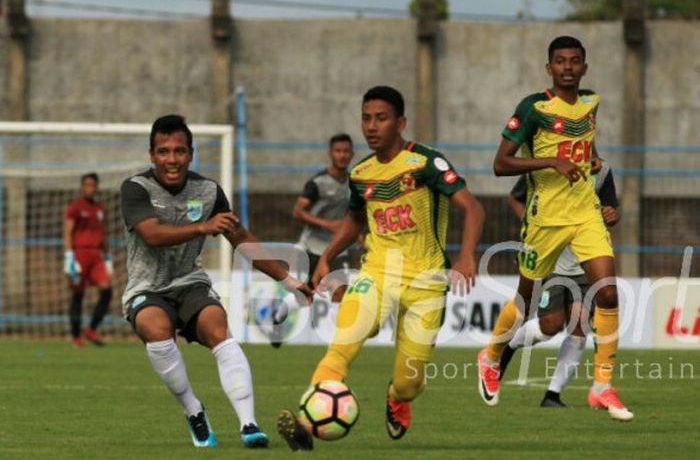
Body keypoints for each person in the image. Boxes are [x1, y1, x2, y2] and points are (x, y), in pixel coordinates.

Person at [277, 86, 485, 450]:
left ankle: (397, 397)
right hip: (377, 273)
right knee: (344, 341)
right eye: (366, 118)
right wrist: (327, 256)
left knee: (409, 383)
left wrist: (467, 256)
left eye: (381, 118)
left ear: (400, 122)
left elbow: (473, 208)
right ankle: (307, 426)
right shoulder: (361, 172)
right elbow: (355, 220)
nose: (371, 126)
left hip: (427, 281)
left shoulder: (426, 162)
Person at [120, 114, 313, 448]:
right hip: (146, 288)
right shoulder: (136, 189)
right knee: (156, 328)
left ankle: (249, 424)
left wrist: (288, 279)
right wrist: (201, 228)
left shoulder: (208, 191)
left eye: (179, 151)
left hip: (189, 283)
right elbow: (151, 234)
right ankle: (194, 411)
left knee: (217, 327)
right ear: (151, 155)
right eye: (163, 152)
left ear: (191, 154)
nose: (172, 159)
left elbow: (241, 238)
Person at [482, 36, 633, 421]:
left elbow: (585, 143)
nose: (568, 67)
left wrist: (592, 161)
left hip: (585, 215)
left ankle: (602, 386)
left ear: (585, 66)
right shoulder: (533, 108)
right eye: (560, 61)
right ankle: (493, 353)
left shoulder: (591, 102)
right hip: (545, 219)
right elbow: (500, 164)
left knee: (609, 293)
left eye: (575, 61)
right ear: (549, 68)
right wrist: (551, 161)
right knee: (524, 301)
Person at [494, 162, 619, 408]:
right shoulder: (550, 165)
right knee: (550, 325)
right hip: (552, 259)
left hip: (586, 261)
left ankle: (552, 395)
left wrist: (612, 215)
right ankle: (508, 346)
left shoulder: (602, 171)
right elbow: (515, 198)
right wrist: (534, 228)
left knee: (580, 324)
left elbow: (609, 210)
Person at [269, 133, 354, 348]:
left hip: (337, 248)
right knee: (305, 293)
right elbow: (298, 211)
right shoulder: (317, 183)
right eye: (338, 151)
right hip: (312, 246)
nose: (342, 155)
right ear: (330, 154)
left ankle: (337, 344)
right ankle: (280, 315)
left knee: (340, 291)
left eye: (346, 151)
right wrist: (328, 225)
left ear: (351, 154)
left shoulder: (355, 183)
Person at [63, 172, 113, 347]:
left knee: (107, 290)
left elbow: (103, 234)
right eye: (87, 185)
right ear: (82, 187)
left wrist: (107, 258)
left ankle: (91, 329)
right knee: (78, 295)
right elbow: (68, 232)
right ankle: (76, 336)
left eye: (92, 185)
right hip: (79, 254)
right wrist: (69, 256)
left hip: (96, 256)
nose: (89, 188)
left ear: (96, 187)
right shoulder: (75, 207)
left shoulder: (100, 208)